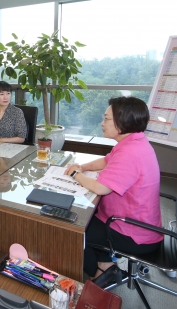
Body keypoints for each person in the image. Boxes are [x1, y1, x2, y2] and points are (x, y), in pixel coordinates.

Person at [64, 96, 162, 284]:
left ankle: (100, 273)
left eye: (106, 119)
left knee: (71, 228)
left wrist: (77, 175)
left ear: (123, 121)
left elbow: (101, 188)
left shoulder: (130, 153)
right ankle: (105, 263)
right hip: (137, 223)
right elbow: (106, 160)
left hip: (132, 233)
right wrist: (83, 167)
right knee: (84, 217)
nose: (102, 123)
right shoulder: (133, 142)